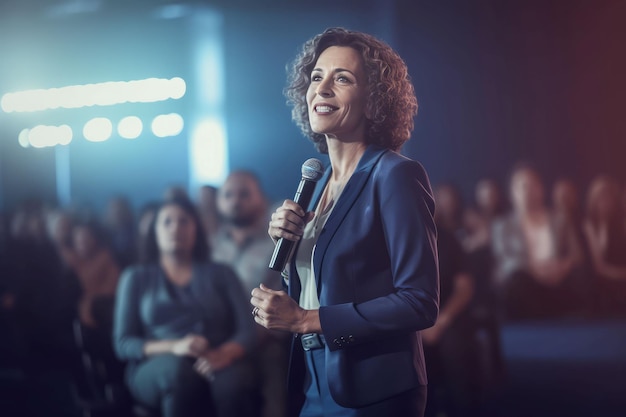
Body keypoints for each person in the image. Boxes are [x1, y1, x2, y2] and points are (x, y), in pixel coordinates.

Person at [250, 27, 439, 417]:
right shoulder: (318, 185)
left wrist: (305, 320)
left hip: (373, 388)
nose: (323, 88)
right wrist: (290, 259)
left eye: (343, 78)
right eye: (317, 77)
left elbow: (419, 302)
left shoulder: (395, 175)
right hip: (312, 380)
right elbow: (328, 282)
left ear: (374, 101)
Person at [113, 196, 258, 417]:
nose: (175, 228)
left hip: (216, 355)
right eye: (167, 222)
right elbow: (123, 343)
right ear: (154, 231)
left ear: (196, 229)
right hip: (157, 364)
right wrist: (174, 346)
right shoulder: (135, 277)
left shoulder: (222, 273)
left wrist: (224, 354)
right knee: (176, 374)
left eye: (184, 221)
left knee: (232, 384)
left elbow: (248, 331)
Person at [212, 170, 289, 417]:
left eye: (244, 194)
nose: (235, 201)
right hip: (222, 336)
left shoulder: (278, 241)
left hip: (268, 336)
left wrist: (244, 342)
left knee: (274, 391)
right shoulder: (211, 243)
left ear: (261, 198)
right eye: (228, 195)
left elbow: (287, 293)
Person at [491, 163, 585, 320]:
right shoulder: (502, 225)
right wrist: (534, 270)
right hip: (527, 279)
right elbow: (505, 260)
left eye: (532, 185)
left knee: (580, 275)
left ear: (541, 189)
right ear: (512, 193)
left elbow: (577, 255)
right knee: (516, 280)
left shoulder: (559, 219)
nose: (527, 191)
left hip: (558, 277)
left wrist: (562, 266)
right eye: (522, 186)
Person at [582, 175, 626, 317]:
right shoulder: (588, 225)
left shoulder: (621, 224)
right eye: (600, 198)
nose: (604, 202)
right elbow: (599, 267)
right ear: (592, 201)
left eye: (608, 197)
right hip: (600, 280)